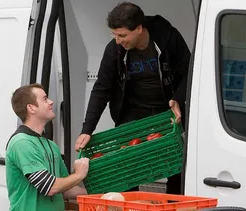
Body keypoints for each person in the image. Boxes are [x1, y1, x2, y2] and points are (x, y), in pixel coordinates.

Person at [74, 2, 191, 194]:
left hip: (168, 108)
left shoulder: (168, 38)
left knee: (175, 160)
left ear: (139, 28)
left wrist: (177, 99)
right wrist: (88, 128)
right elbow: (102, 89)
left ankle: (173, 204)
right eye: (114, 35)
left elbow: (188, 71)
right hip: (132, 111)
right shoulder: (114, 50)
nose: (118, 40)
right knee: (127, 164)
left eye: (122, 35)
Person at [6, 83, 89, 211]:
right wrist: (79, 175)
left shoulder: (51, 145)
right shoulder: (21, 143)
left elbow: (66, 189)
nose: (51, 102)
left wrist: (99, 193)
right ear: (31, 108)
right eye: (45, 99)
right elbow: (49, 187)